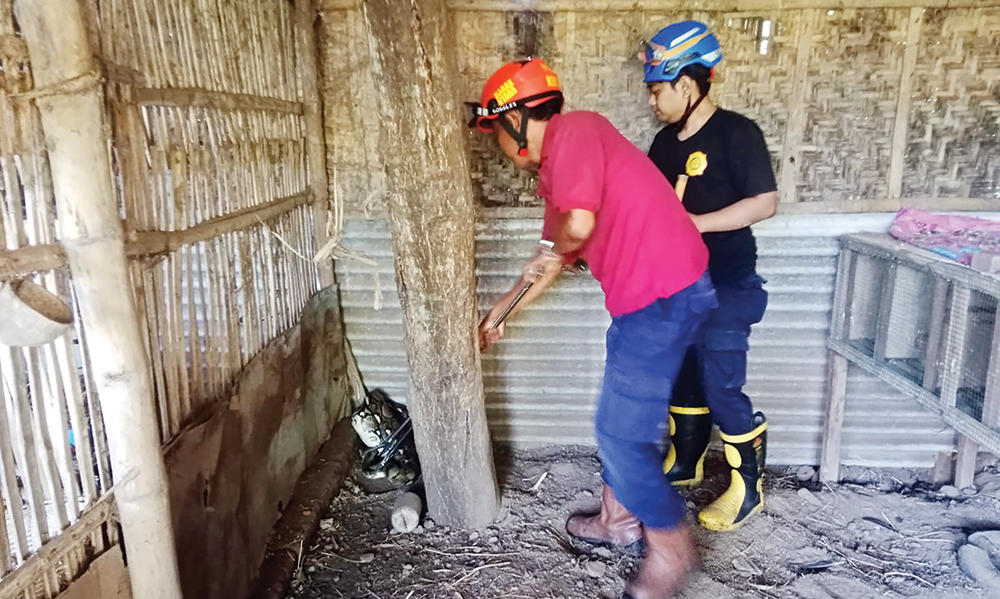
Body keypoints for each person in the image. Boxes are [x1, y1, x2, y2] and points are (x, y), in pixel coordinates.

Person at [470, 57, 717, 599]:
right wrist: (498, 313)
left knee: (619, 434)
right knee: (619, 418)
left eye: (496, 133)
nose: (500, 149)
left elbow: (575, 230)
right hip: (647, 299)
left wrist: (558, 247)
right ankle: (617, 518)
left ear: (516, 120)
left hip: (662, 293)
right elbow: (550, 260)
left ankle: (671, 551)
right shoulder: (558, 175)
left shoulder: (574, 130)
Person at [644, 20, 778, 532]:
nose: (654, 101)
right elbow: (652, 211)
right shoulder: (662, 144)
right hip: (675, 287)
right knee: (682, 375)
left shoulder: (738, 134)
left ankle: (748, 490)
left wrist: (695, 225)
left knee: (722, 387)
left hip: (727, 285)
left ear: (686, 84)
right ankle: (686, 461)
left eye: (658, 90)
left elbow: (764, 203)